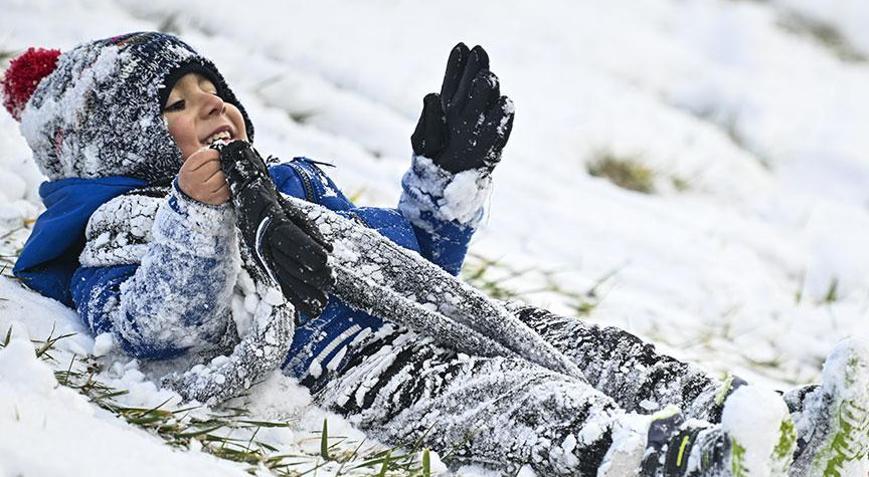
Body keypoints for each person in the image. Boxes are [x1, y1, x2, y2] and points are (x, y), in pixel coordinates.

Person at [2, 32, 866, 476]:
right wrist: (198, 212)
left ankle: (751, 414)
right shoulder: (120, 226)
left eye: (214, 87)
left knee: (577, 343)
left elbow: (405, 257)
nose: (215, 107)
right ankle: (666, 457)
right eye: (179, 103)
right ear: (120, 142)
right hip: (339, 356)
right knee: (508, 396)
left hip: (407, 312)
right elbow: (158, 325)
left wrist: (446, 177)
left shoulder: (293, 185)